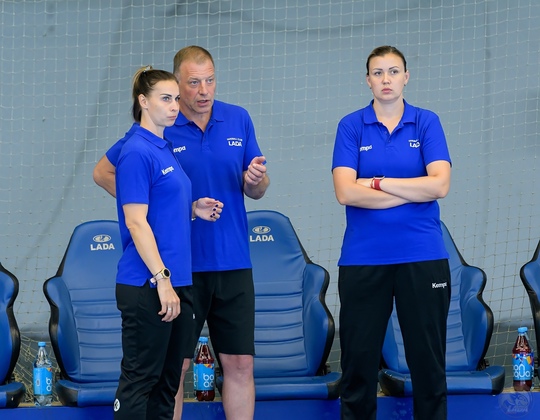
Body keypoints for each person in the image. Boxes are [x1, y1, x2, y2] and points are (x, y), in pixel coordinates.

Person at [94, 46, 269, 420]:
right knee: (166, 372)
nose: (203, 91)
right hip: (174, 270)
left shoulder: (235, 120)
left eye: (210, 80)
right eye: (191, 84)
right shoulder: (150, 137)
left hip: (230, 261)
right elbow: (108, 178)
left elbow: (255, 188)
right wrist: (145, 210)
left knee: (229, 365)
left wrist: (254, 180)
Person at [331, 45, 452, 420]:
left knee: (428, 365)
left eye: (394, 71)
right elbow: (345, 192)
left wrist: (377, 183)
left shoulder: (426, 122)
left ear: (406, 77)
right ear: (367, 80)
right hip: (363, 259)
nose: (386, 79)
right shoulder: (351, 126)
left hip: (423, 255)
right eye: (378, 72)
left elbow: (440, 186)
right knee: (358, 364)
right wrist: (412, 190)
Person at [112, 66, 223, 420]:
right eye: (165, 98)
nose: (174, 106)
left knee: (167, 384)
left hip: (177, 282)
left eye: (176, 98)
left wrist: (192, 209)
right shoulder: (136, 151)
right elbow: (136, 221)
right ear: (143, 102)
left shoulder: (164, 147)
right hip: (148, 284)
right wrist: (162, 280)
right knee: (140, 382)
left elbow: (159, 208)